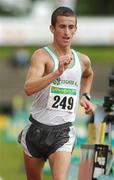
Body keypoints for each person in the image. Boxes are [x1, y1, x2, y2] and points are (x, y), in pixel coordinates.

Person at [18, 6, 94, 180]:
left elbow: (89, 75)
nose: (67, 32)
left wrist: (85, 95)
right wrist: (57, 73)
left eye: (71, 27)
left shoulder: (82, 60)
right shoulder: (42, 56)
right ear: (52, 28)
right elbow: (28, 88)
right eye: (62, 27)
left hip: (63, 132)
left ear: (75, 29)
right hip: (36, 130)